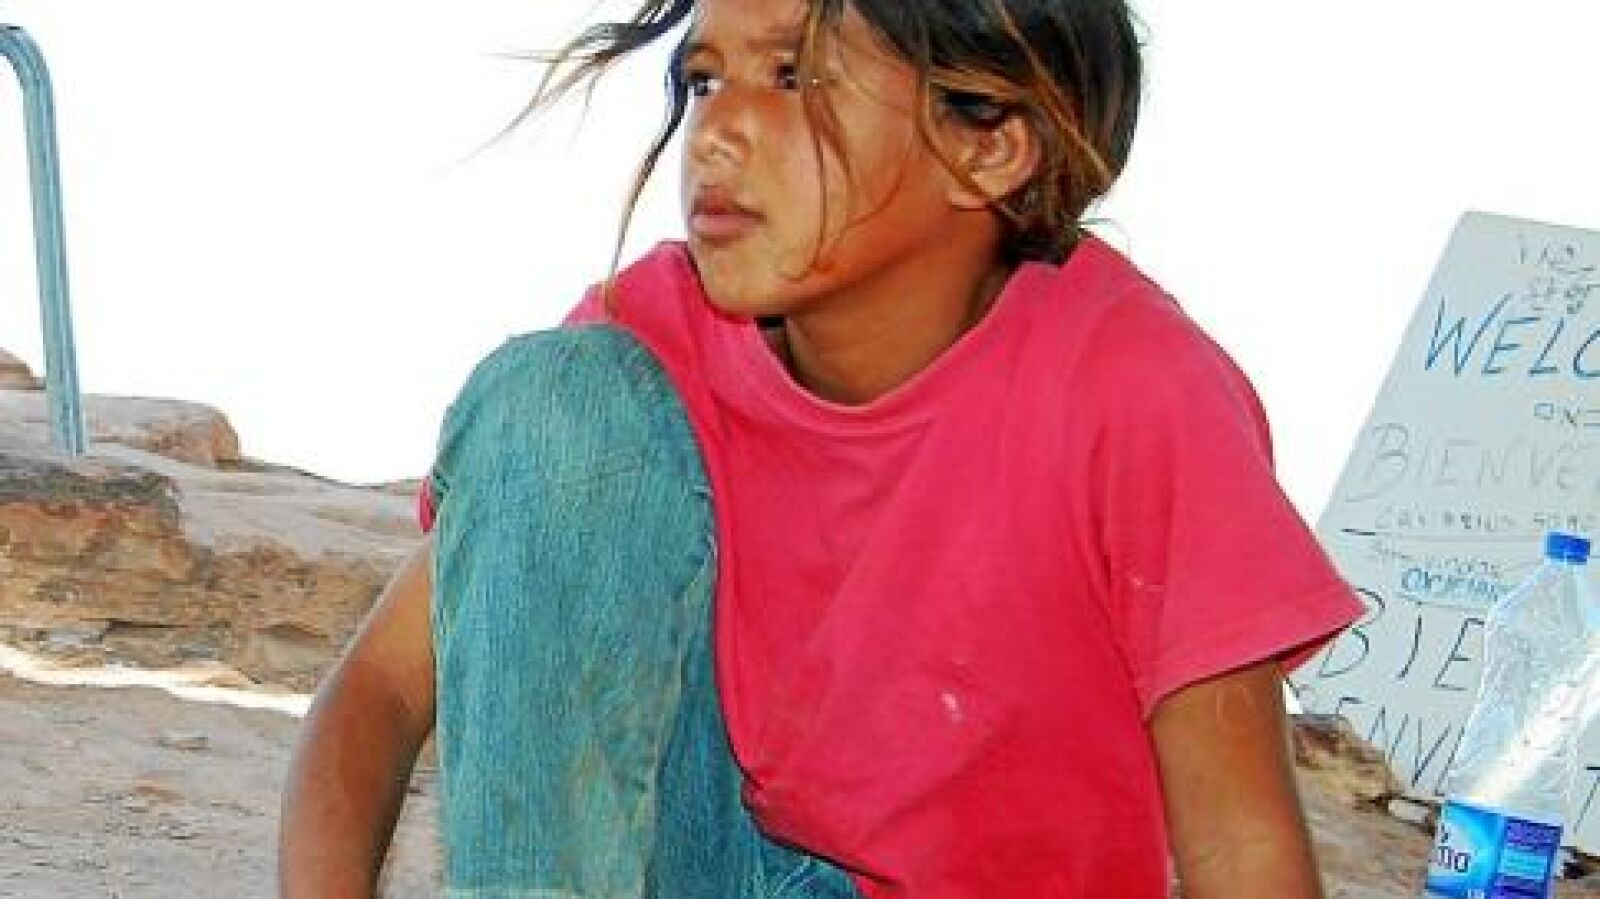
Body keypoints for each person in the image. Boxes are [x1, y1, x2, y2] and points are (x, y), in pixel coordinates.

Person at [279, 0, 1364, 896]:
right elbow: (378, 691)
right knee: (555, 395)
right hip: (719, 857)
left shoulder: (1135, 391)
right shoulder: (650, 345)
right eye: (704, 79)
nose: (716, 133)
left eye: (793, 76)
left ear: (987, 145)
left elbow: (1241, 844)